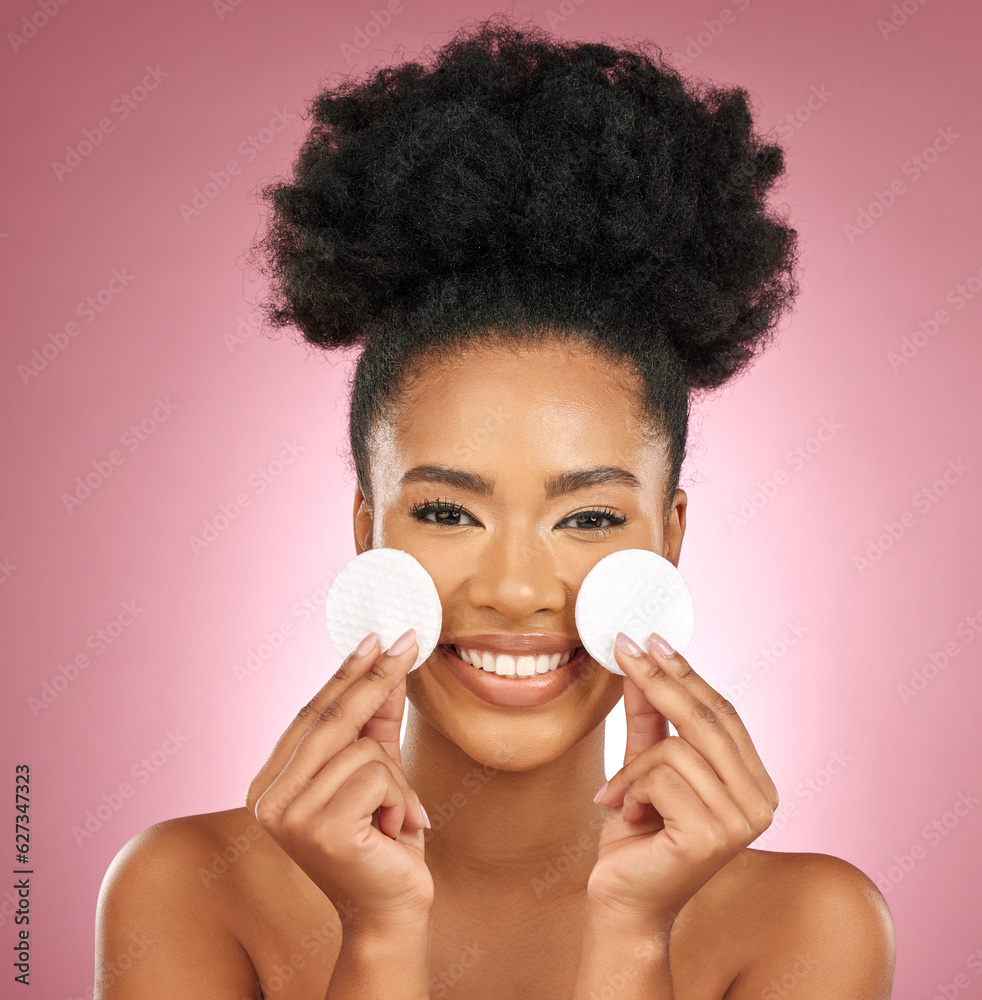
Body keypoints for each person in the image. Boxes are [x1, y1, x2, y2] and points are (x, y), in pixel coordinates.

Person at [94, 14, 895, 999]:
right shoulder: (187, 893)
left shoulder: (806, 926)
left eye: (590, 519)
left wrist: (631, 939)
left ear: (670, 539)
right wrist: (377, 936)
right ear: (365, 529)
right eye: (448, 514)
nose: (516, 589)